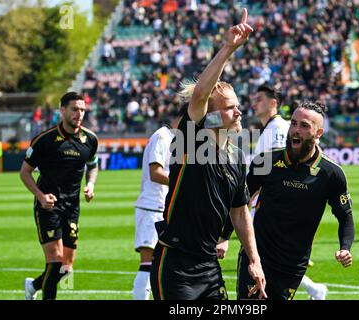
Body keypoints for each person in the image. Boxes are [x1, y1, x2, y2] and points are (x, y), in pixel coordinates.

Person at [149, 8, 266, 300]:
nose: (238, 111)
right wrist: (228, 48)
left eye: (237, 105)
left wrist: (254, 259)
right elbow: (200, 94)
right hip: (175, 264)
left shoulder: (237, 156)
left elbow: (240, 212)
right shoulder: (192, 140)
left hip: (209, 266)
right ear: (209, 116)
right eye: (229, 107)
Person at [237, 101, 354, 300]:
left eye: (304, 125)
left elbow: (345, 215)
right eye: (293, 123)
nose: (296, 130)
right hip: (257, 254)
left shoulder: (331, 174)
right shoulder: (266, 161)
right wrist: (223, 238)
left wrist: (345, 247)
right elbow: (239, 202)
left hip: (292, 264)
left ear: (318, 134)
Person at [221, 85, 328, 300]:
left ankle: (313, 289)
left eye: (259, 99)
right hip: (260, 206)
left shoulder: (279, 129)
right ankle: (314, 289)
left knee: (260, 262)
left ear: (273, 103)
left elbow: (285, 172)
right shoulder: (269, 129)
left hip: (269, 210)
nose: (253, 103)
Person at [20, 92, 98, 300]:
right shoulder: (44, 140)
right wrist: (41, 196)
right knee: (54, 262)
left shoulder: (90, 139)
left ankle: (33, 285)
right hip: (48, 207)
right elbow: (24, 173)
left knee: (66, 268)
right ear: (62, 110)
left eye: (82, 110)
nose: (79, 114)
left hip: (72, 208)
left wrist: (90, 184)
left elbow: (93, 165)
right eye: (74, 109)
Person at [132, 107, 184, 300]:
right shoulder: (161, 137)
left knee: (162, 265)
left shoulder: (174, 139)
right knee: (148, 263)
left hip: (163, 208)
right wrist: (182, 182)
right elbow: (155, 173)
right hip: (151, 207)